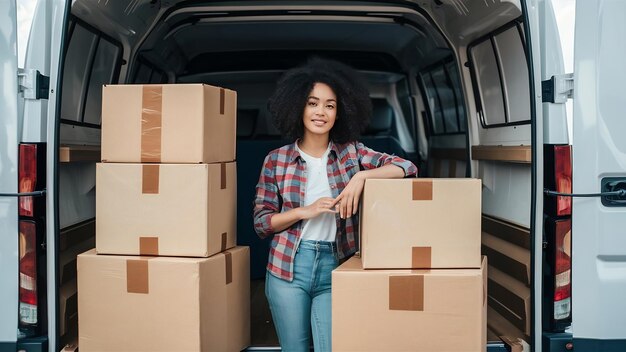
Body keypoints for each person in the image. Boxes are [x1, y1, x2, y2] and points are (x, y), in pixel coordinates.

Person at [253, 57, 418, 351]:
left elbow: (406, 166)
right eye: (313, 103)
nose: (321, 112)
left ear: (339, 112)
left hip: (335, 265)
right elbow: (262, 223)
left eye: (330, 105)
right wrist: (306, 211)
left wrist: (363, 177)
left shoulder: (351, 153)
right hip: (288, 268)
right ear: (297, 107)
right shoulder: (276, 160)